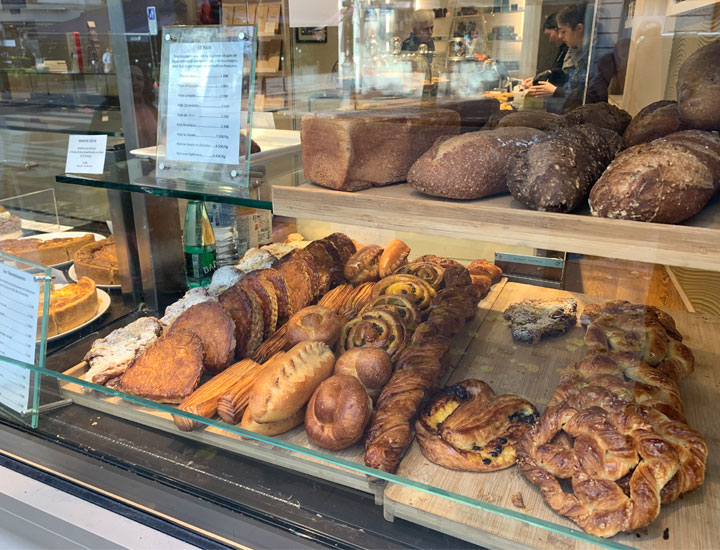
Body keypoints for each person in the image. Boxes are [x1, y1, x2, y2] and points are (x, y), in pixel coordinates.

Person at [526, 3, 591, 113]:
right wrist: (551, 73)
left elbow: (586, 95)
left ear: (579, 28)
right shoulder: (575, 52)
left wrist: (556, 91)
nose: (560, 36)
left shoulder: (590, 57)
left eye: (564, 31)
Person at [522, 13, 568, 90]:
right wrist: (538, 79)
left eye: (549, 34)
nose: (550, 40)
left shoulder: (570, 48)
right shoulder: (563, 48)